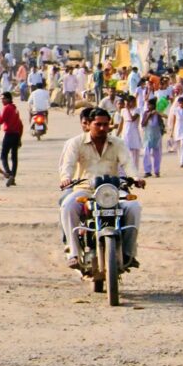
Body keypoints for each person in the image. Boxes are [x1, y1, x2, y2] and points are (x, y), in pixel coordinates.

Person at [59, 108, 145, 270]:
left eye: (106, 125)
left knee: (134, 207)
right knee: (68, 206)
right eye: (98, 124)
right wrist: (66, 179)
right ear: (88, 125)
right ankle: (74, 253)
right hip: (85, 189)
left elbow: (128, 163)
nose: (102, 128)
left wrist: (136, 178)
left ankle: (129, 253)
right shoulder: (75, 143)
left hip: (112, 190)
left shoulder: (118, 143)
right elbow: (68, 165)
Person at [0, 92, 23, 187]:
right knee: (14, 157)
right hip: (16, 134)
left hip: (9, 134)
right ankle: (13, 176)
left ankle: (8, 173)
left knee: (4, 155)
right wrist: (19, 137)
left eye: (3, 98)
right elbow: (20, 124)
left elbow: (0, 121)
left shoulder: (7, 108)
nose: (2, 100)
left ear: (8, 99)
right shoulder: (14, 108)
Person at [141, 98, 164, 178]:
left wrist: (157, 113)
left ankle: (157, 171)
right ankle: (147, 171)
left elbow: (165, 117)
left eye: (150, 105)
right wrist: (148, 116)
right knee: (146, 153)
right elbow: (143, 124)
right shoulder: (146, 113)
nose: (148, 106)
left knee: (157, 154)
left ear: (154, 106)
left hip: (157, 137)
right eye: (148, 105)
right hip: (147, 136)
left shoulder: (157, 114)